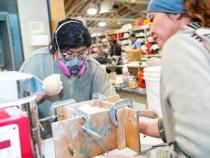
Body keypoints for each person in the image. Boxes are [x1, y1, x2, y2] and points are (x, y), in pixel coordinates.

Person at [106, 0, 210, 157]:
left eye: (153, 19)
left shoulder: (180, 44)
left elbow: (199, 147)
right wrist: (142, 125)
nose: (151, 29)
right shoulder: (203, 37)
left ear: (175, 13)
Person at [19, 18, 116, 138]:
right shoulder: (35, 62)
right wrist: (41, 91)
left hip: (82, 137)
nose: (75, 61)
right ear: (55, 49)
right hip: (45, 138)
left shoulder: (94, 69)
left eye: (81, 53)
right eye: (68, 54)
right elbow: (16, 107)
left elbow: (111, 104)